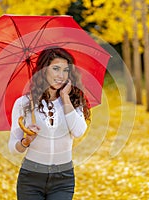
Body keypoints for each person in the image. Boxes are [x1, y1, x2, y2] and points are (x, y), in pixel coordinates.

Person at [8, 47, 90, 200]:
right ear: (44, 71)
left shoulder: (73, 101)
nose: (61, 75)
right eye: (56, 69)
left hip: (63, 179)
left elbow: (78, 132)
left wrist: (65, 97)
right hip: (31, 178)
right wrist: (26, 141)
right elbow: (13, 148)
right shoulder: (24, 103)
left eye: (66, 70)